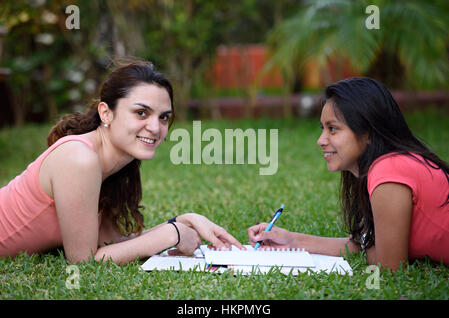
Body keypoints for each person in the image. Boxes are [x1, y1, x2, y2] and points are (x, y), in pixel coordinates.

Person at [0, 59, 243, 264]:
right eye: (141, 113)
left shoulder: (110, 166)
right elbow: (83, 261)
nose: (155, 127)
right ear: (106, 113)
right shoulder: (79, 159)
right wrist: (171, 235)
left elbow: (111, 245)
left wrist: (181, 221)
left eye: (164, 117)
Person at [248, 77, 449, 271]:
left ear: (368, 132)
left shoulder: (390, 172)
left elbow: (388, 268)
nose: (321, 140)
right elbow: (361, 244)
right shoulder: (387, 167)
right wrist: (290, 240)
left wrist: (370, 243)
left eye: (333, 129)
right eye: (323, 128)